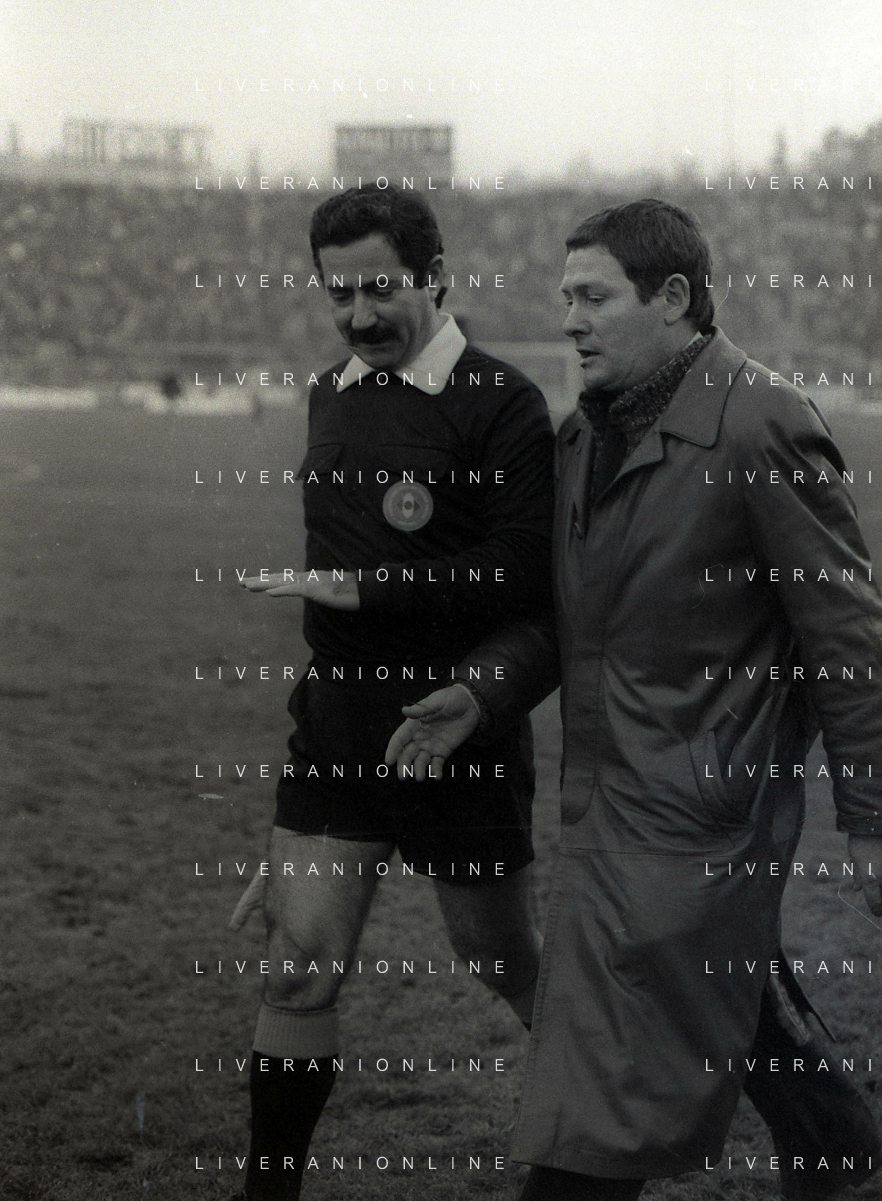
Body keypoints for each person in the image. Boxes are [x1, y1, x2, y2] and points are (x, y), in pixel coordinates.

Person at [386, 199, 882, 1201]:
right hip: (606, 810)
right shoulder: (581, 440)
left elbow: (850, 643)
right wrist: (482, 693)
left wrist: (872, 821)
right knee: (703, 993)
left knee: (596, 1106)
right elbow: (569, 623)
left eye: (593, 297)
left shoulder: (763, 421)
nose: (569, 319)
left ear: (674, 298)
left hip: (706, 819)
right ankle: (839, 1147)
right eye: (565, 296)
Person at [230, 183, 555, 1200]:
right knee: (296, 964)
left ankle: (602, 1122)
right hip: (335, 731)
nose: (360, 316)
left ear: (436, 278)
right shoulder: (330, 393)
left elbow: (522, 573)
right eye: (340, 294)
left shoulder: (503, 403)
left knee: (501, 958)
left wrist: (371, 588)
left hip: (455, 730)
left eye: (380, 289)